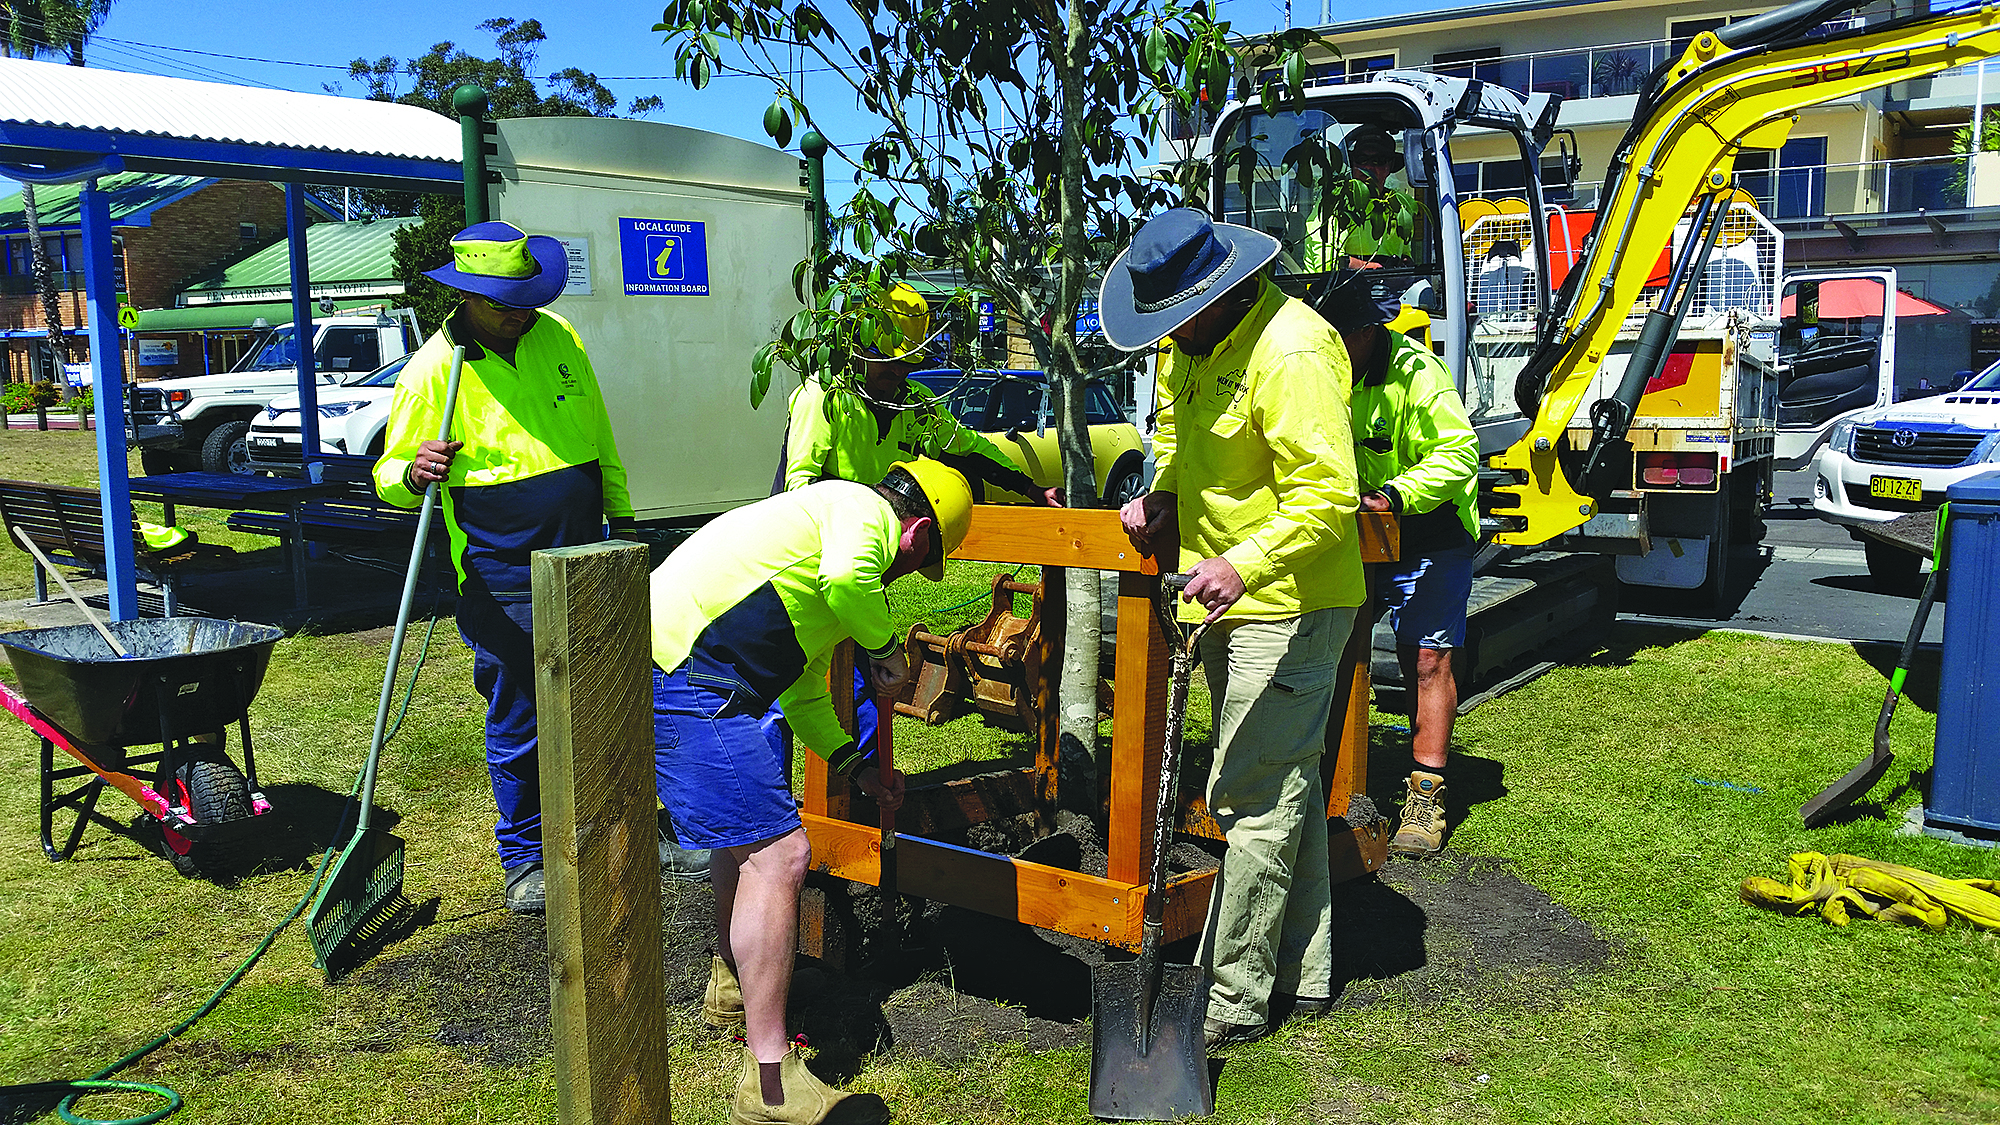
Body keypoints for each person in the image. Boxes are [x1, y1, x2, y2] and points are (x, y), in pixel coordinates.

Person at [1103, 209, 1366, 1049]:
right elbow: (1177, 433)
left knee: (1248, 796)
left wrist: (1245, 563)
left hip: (1289, 601)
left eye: (1176, 317)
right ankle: (1306, 972)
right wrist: (1163, 493)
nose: (1167, 335)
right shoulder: (1191, 345)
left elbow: (1328, 495)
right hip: (1222, 599)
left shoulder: (1292, 349)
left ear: (1219, 292)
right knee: (1282, 782)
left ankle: (1234, 996)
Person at [651, 458, 973, 1125]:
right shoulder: (858, 513)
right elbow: (850, 580)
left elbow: (802, 694)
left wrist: (857, 767)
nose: (907, 575)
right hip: (686, 673)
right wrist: (887, 649)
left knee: (745, 842)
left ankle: (734, 987)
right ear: (918, 535)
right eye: (923, 563)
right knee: (781, 855)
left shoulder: (823, 547)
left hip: (690, 671)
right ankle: (770, 1088)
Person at [375, 220, 653, 915]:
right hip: (500, 573)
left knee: (608, 700)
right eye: (505, 302)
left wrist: (622, 520)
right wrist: (412, 471)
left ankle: (621, 829)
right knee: (520, 714)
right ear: (467, 296)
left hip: (587, 555)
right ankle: (526, 856)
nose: (520, 312)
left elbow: (599, 437)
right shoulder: (433, 372)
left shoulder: (561, 338)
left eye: (527, 297)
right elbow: (387, 475)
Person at [780, 280, 1061, 749]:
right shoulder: (823, 397)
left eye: (907, 364)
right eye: (889, 363)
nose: (898, 375)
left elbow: (967, 447)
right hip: (812, 560)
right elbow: (797, 488)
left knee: (871, 679)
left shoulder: (912, 403)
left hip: (865, 562)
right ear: (860, 349)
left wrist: (1031, 488)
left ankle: (865, 774)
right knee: (790, 679)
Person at [1323, 276, 1480, 859]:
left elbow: (1459, 453)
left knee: (1428, 659)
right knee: (1333, 646)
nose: (1329, 345)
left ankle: (1425, 796)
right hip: (1359, 533)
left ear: (1367, 331)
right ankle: (1327, 776)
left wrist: (1393, 495)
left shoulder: (1418, 373)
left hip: (1430, 527)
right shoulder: (1323, 368)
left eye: (1339, 335)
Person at [1302, 125, 1422, 272]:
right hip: (1333, 286)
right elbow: (1326, 264)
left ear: (1389, 166)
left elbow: (1405, 255)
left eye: (1378, 160)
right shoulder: (1335, 202)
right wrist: (1374, 268)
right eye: (1362, 159)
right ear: (1353, 164)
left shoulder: (1399, 207)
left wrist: (1405, 266)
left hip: (1387, 286)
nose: (1368, 167)